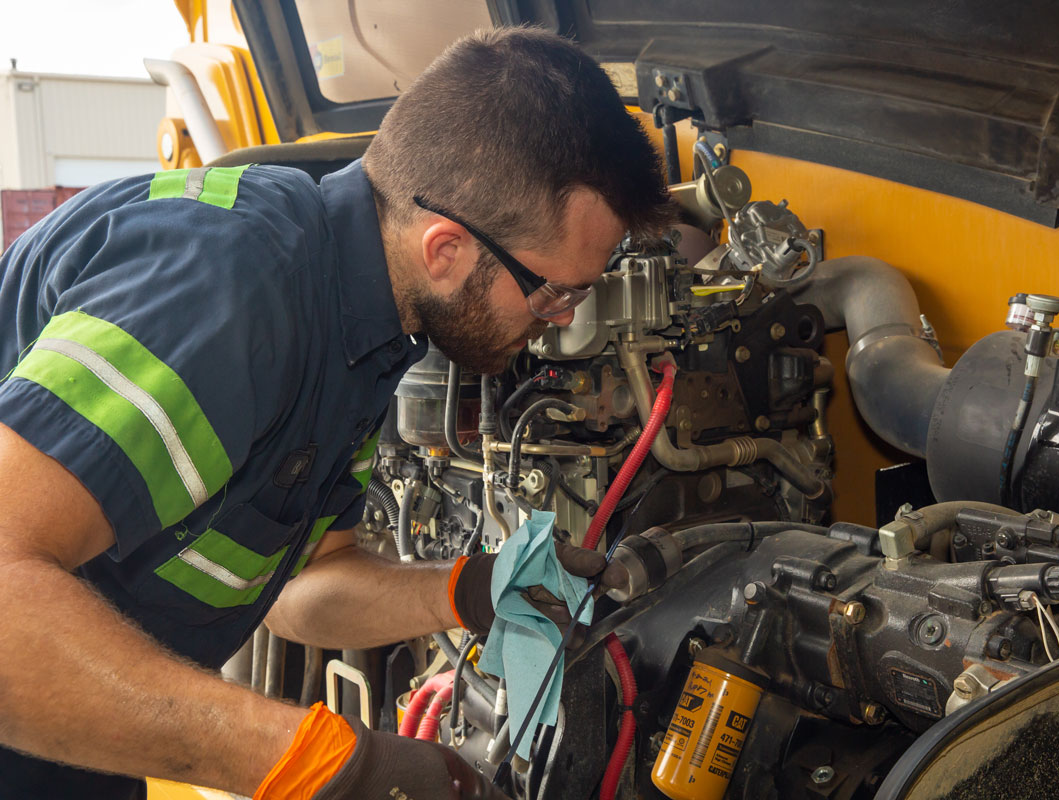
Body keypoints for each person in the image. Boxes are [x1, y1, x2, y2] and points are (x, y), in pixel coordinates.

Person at [0, 26, 671, 800]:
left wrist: (467, 591)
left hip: (73, 740)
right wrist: (323, 763)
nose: (559, 318)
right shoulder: (233, 285)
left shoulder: (367, 332)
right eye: (553, 288)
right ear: (445, 248)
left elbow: (297, 590)